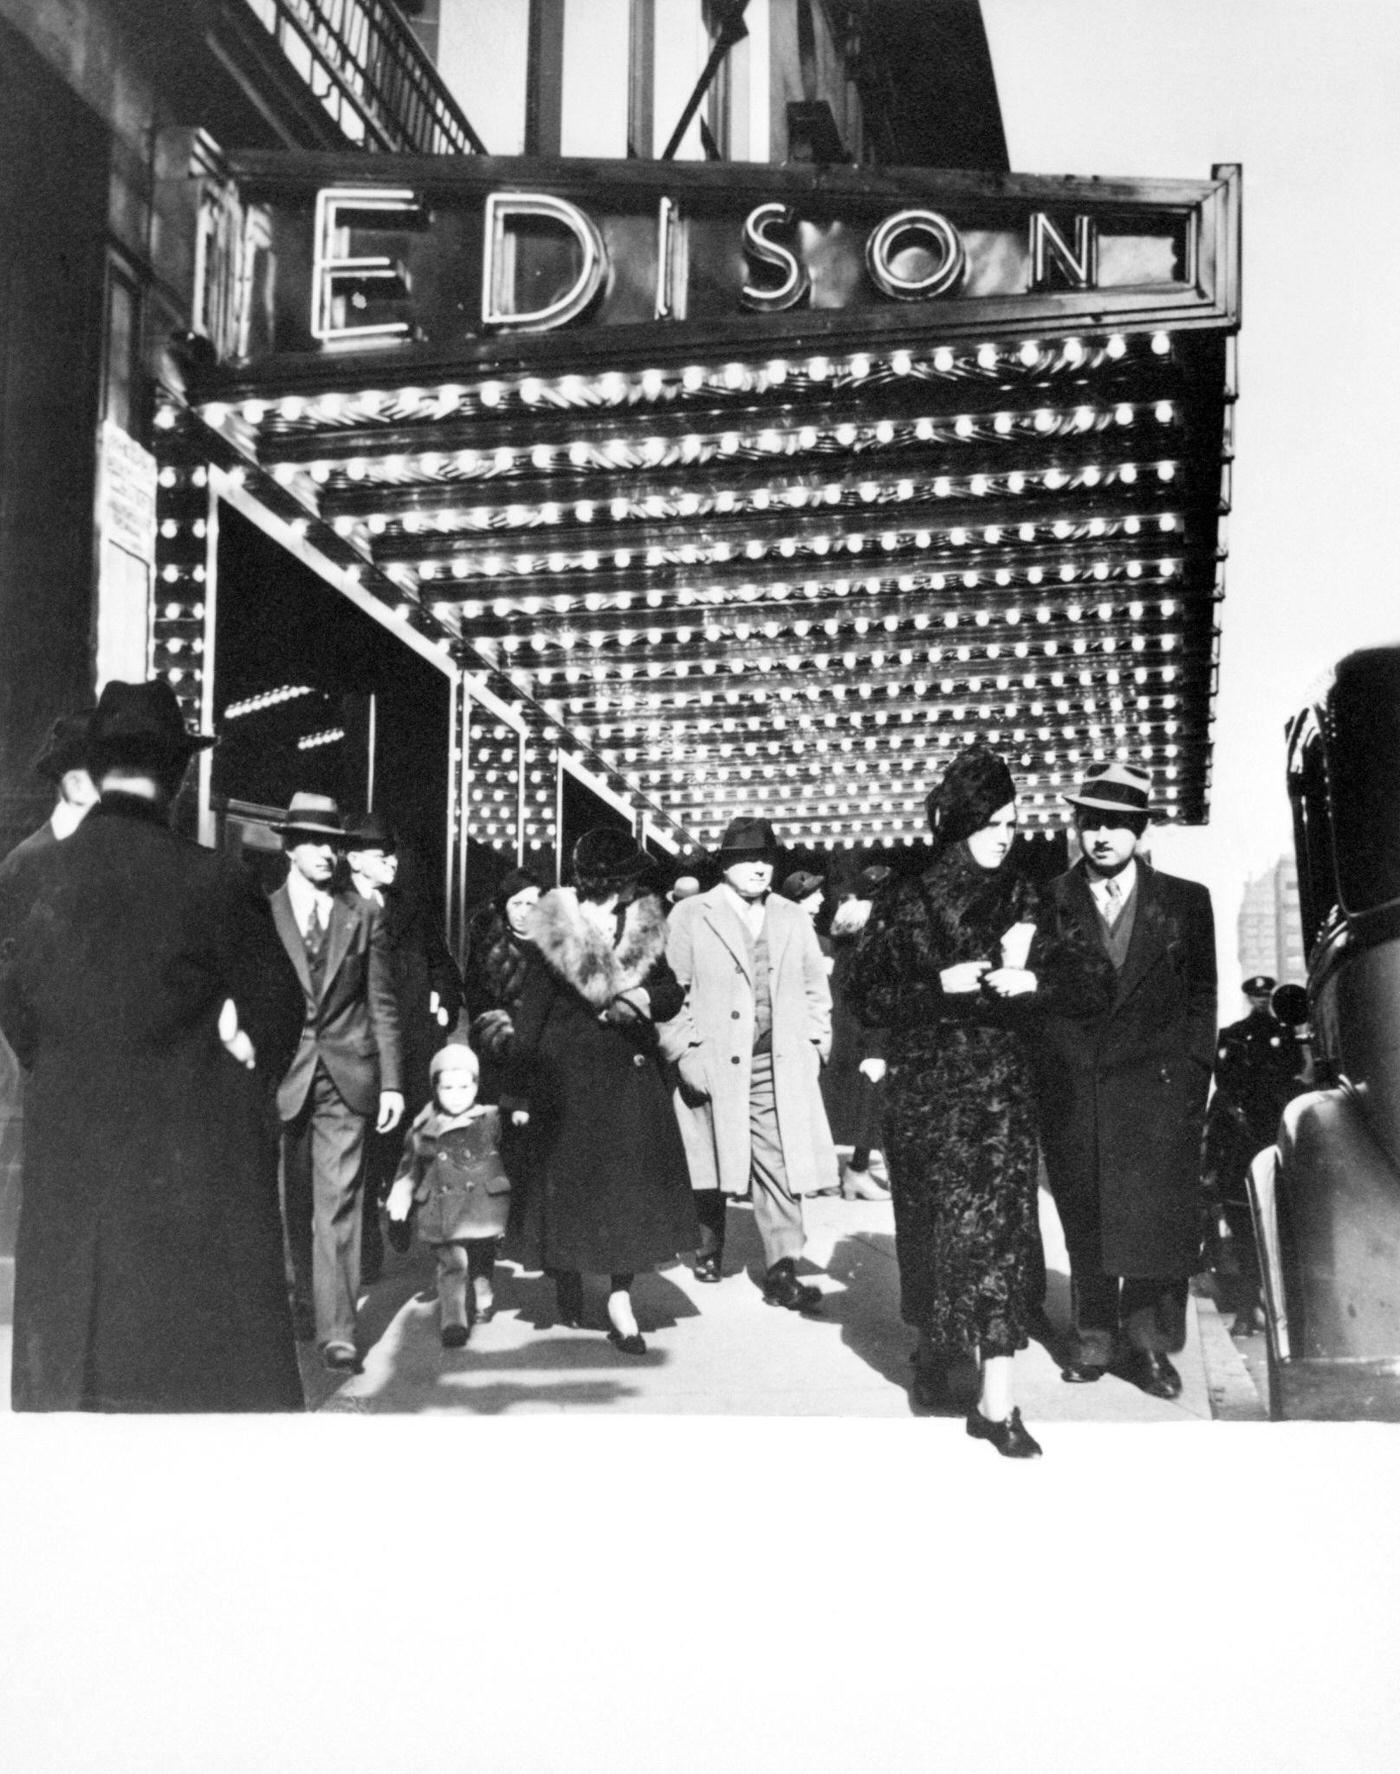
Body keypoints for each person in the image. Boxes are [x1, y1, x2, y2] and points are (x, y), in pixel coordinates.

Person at [0, 680, 304, 1411]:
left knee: (75, 1362)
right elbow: (278, 1010)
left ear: (97, 770)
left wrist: (58, 1063)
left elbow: (14, 1005)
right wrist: (236, 1076)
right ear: (178, 776)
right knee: (178, 1376)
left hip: (69, 1146)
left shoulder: (32, 874)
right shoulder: (214, 880)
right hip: (186, 1160)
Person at [846, 743, 1111, 1458]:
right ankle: (937, 1349)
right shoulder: (908, 897)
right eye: (992, 820)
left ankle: (999, 1404)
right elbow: (865, 993)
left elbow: (1094, 982)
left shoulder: (1032, 896)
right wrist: (940, 988)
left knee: (999, 1239)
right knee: (934, 1235)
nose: (1006, 834)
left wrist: (1037, 986)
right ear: (961, 821)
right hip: (927, 1094)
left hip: (1000, 1095)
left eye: (1013, 821)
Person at [1033, 760, 1217, 1400]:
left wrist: (1194, 1077)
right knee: (1085, 1220)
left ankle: (1152, 1350)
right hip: (1075, 1092)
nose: (1102, 836)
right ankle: (1093, 1339)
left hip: (1158, 1093)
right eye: (1090, 823)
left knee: (1154, 1226)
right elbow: (1038, 1000)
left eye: (1116, 824)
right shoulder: (1049, 902)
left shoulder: (1187, 902)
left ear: (1140, 830)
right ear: (1077, 827)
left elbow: (1202, 999)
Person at [506, 828, 697, 1354]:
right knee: (571, 1190)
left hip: (628, 1078)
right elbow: (531, 1015)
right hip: (565, 1081)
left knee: (627, 1193)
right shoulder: (556, 930)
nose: (634, 889)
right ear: (612, 881)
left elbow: (670, 991)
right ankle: (567, 1272)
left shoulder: (643, 927)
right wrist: (519, 1094)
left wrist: (640, 998)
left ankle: (619, 1296)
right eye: (628, 879)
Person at [666, 817, 839, 1311]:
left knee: (779, 1163)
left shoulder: (791, 916)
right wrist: (685, 1053)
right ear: (726, 866)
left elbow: (813, 988)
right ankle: (708, 1245)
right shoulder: (691, 915)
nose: (759, 867)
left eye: (766, 858)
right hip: (712, 1057)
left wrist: (814, 1043)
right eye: (746, 858)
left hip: (775, 1062)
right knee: (712, 1154)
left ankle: (783, 1268)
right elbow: (669, 995)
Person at [270, 792, 404, 1371]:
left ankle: (338, 1329)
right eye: (317, 842)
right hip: (281, 1075)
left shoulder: (363, 913)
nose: (329, 853)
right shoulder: (264, 911)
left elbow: (383, 1003)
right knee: (290, 1201)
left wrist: (394, 1083)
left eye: (337, 844)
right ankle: (304, 1298)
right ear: (291, 847)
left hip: (347, 1075)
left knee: (340, 1202)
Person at [344, 809, 462, 1282]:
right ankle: (366, 1247)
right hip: (359, 1050)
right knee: (362, 1151)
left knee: (403, 1145)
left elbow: (444, 967)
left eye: (393, 854)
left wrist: (443, 1002)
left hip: (412, 1045)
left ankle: (398, 1209)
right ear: (354, 859)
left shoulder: (410, 908)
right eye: (381, 855)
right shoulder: (338, 907)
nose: (392, 862)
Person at [386, 1040, 516, 1345]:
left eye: (463, 1087)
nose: (456, 1096)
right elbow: (410, 1164)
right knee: (452, 1263)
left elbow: (513, 1147)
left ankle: (482, 1287)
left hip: (481, 1203)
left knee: (482, 1254)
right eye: (448, 1088)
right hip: (441, 1205)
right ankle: (453, 1318)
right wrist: (401, 1192)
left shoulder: (490, 1119)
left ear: (476, 1086)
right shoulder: (423, 1125)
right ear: (435, 1089)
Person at [1203, 975, 1304, 1334]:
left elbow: (1292, 1073)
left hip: (1271, 1128)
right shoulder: (1232, 1034)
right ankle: (1247, 1310)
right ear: (1248, 997)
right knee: (1241, 1222)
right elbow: (1224, 1081)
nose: (1262, 1001)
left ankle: (1266, 1309)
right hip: (1241, 1134)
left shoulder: (1285, 1034)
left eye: (1266, 996)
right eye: (1256, 996)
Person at [824, 865, 894, 1202]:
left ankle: (843, 1172)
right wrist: (876, 1045)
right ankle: (858, 1171)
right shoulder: (877, 930)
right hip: (870, 1028)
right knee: (873, 1100)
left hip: (846, 1025)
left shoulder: (847, 927)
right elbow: (876, 990)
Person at [460, 865, 544, 1111]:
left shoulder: (556, 948)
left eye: (531, 905)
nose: (523, 912)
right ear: (504, 904)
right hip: (500, 1057)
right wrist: (505, 1041)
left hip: (546, 1057)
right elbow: (478, 1002)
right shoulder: (488, 944)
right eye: (516, 904)